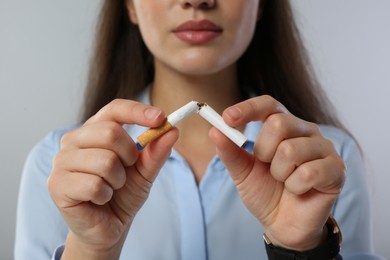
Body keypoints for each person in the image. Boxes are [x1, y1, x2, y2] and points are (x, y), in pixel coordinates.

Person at [15, 0, 383, 259]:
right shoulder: (59, 164)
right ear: (129, 5)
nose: (197, 1)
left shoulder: (326, 163)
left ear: (262, 5)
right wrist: (92, 250)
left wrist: (304, 251)